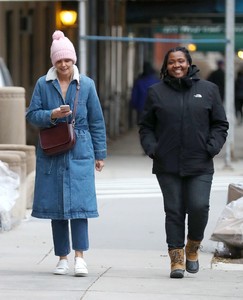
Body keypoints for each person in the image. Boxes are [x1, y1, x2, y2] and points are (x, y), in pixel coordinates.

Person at [139, 47, 228, 279]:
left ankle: (193, 247)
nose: (176, 65)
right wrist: (152, 149)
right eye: (171, 62)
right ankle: (176, 257)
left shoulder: (208, 90)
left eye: (180, 61)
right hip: (166, 163)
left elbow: (220, 124)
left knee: (199, 206)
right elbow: (146, 126)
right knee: (174, 210)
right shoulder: (155, 92)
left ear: (188, 63)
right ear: (166, 66)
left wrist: (212, 147)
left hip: (200, 162)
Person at [26, 30, 107, 276]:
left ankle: (80, 257)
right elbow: (31, 115)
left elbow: (97, 120)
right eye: (59, 60)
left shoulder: (87, 84)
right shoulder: (43, 83)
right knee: (57, 206)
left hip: (80, 147)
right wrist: (51, 115)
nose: (63, 64)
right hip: (52, 148)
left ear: (73, 60)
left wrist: (99, 153)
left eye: (67, 60)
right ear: (53, 61)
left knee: (80, 206)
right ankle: (62, 257)